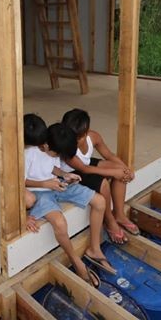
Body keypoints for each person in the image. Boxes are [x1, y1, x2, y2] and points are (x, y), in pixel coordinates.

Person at [24, 113, 115, 286]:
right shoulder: (29, 153)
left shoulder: (53, 147)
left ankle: (94, 248)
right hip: (40, 191)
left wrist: (65, 174)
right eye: (57, 154)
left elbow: (53, 167)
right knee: (59, 222)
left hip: (56, 184)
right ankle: (75, 260)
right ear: (46, 145)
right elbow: (20, 182)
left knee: (100, 202)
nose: (57, 157)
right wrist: (45, 184)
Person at [61, 108, 137, 244]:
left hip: (86, 165)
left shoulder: (93, 136)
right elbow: (84, 169)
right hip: (73, 172)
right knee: (103, 183)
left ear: (86, 132)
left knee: (121, 170)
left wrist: (126, 169)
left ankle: (119, 214)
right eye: (73, 137)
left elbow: (109, 155)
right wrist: (114, 173)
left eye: (79, 137)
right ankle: (109, 220)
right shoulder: (67, 147)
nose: (75, 141)